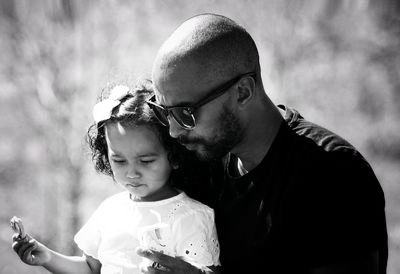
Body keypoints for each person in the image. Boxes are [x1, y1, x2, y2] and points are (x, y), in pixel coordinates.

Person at [141, 13, 388, 274]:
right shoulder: (202, 157)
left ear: (243, 92)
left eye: (185, 113)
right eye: (163, 111)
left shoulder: (332, 175)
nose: (174, 130)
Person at [11, 80, 220, 274]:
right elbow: (89, 267)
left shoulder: (191, 217)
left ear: (174, 156)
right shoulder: (110, 210)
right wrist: (47, 257)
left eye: (146, 161)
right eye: (119, 161)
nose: (131, 173)